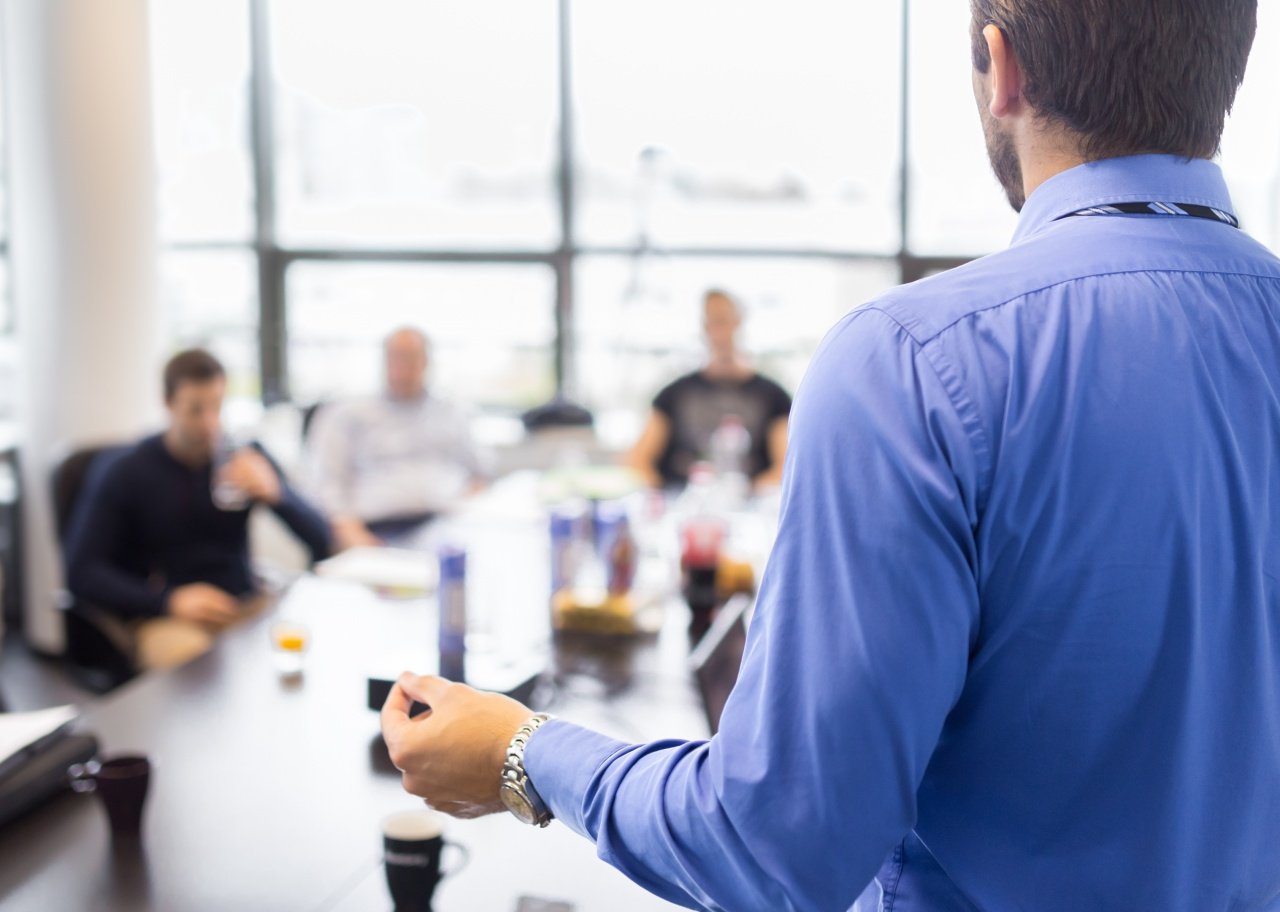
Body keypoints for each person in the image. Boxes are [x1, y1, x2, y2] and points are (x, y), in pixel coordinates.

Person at [381, 2, 1279, 910]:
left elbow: (776, 849)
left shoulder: (921, 360)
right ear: (1226, 66)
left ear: (1002, 66)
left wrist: (521, 753)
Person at [65, 349, 331, 670]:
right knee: (198, 675)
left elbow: (322, 539)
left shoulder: (243, 456)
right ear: (168, 403)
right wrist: (167, 601)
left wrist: (278, 494)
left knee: (304, 649)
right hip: (168, 615)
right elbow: (82, 571)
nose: (209, 423)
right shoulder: (126, 471)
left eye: (217, 406)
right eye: (195, 410)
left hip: (242, 604)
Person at [307, 327, 486, 550]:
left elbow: (478, 474)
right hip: (378, 530)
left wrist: (467, 514)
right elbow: (327, 483)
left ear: (426, 361)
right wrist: (352, 535)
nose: (403, 366)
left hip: (445, 523)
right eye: (396, 356)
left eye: (411, 357)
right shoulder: (347, 413)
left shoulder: (451, 411)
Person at [625, 289, 791, 489]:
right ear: (704, 327)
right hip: (684, 499)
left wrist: (748, 496)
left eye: (724, 320)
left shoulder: (773, 396)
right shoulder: (673, 394)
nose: (720, 331)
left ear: (738, 323)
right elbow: (639, 459)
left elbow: (785, 466)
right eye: (713, 321)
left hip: (746, 500)